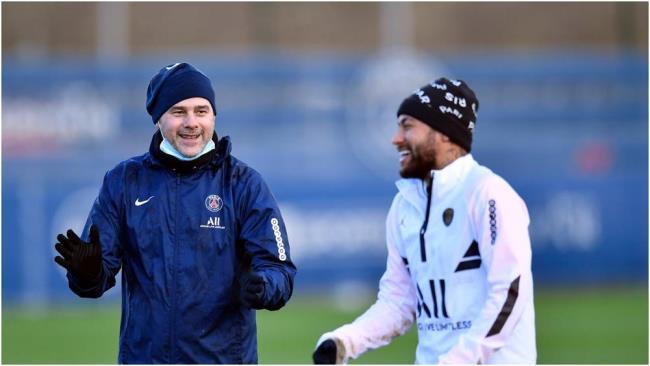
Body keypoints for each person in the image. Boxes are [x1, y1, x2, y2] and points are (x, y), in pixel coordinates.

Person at [53, 62, 297, 364]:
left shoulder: (243, 184)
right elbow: (95, 281)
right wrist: (86, 273)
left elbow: (280, 270)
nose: (191, 122)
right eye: (178, 112)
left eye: (201, 111)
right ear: (158, 119)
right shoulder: (124, 181)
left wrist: (264, 286)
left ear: (214, 116)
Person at [312, 78, 535, 364]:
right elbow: (399, 302)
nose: (396, 139)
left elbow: (510, 292)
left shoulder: (488, 194)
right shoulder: (405, 205)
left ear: (443, 133)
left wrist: (459, 360)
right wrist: (345, 341)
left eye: (407, 126)